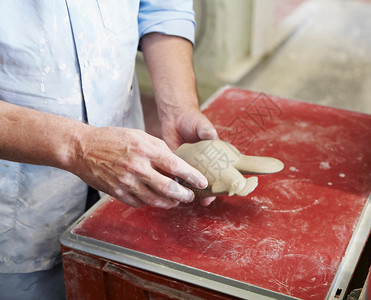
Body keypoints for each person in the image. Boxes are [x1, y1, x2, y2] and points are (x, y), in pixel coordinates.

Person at [0, 1, 217, 299]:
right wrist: (79, 147)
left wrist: (178, 109)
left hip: (125, 178)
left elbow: (162, 7)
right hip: (15, 213)